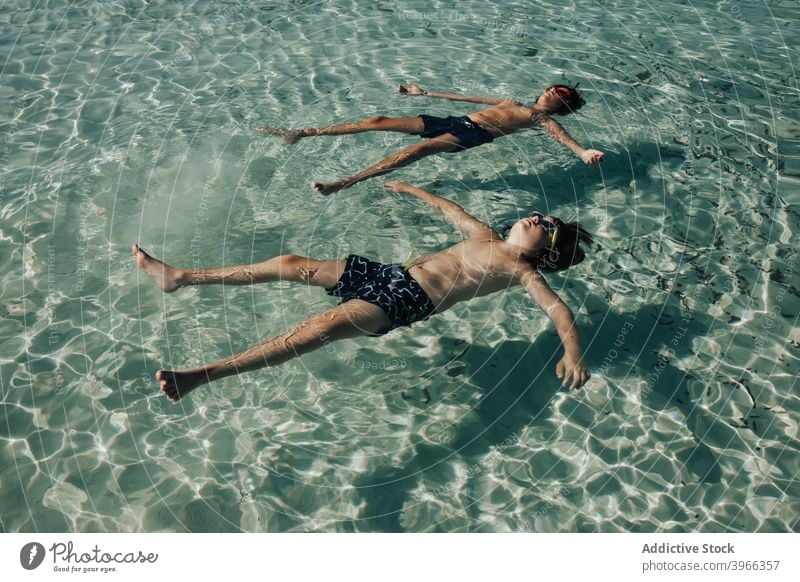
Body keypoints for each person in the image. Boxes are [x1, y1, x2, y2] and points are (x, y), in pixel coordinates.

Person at [134, 181, 594, 401]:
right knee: (290, 263)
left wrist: (572, 353)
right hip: (389, 274)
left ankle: (204, 375)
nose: (539, 219)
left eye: (547, 228)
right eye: (543, 216)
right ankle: (180, 277)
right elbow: (451, 211)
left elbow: (559, 312)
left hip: (405, 301)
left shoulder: (519, 269)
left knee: (315, 330)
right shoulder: (485, 237)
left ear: (547, 255)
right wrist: (412, 189)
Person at [257, 82, 604, 194]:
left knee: (415, 151)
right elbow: (469, 101)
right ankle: (300, 133)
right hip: (457, 119)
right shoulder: (513, 102)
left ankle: (345, 182)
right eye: (551, 85)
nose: (549, 90)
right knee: (378, 120)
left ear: (562, 105)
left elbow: (561, 135)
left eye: (558, 92)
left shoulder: (539, 118)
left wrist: (582, 151)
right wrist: (423, 92)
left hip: (475, 134)